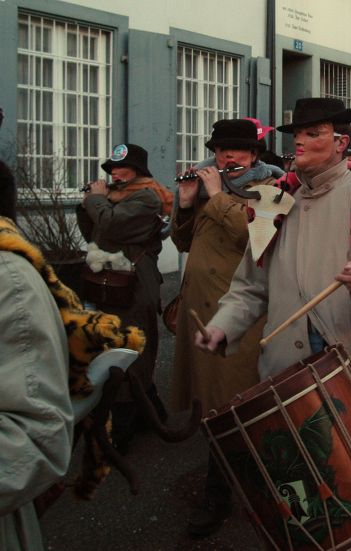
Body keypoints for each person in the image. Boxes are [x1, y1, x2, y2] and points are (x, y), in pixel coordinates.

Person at [195, 96, 351, 412]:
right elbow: (250, 284)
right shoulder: (270, 203)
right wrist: (223, 325)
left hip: (345, 367)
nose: (299, 141)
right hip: (281, 367)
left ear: (341, 143)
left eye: (313, 134)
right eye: (297, 134)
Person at [170, 118, 279, 538]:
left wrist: (216, 196)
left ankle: (226, 495)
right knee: (209, 404)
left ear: (253, 155)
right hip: (200, 312)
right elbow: (183, 242)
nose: (226, 157)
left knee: (232, 407)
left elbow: (257, 238)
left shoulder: (271, 187)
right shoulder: (206, 190)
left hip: (239, 318)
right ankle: (228, 488)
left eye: (235, 151)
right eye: (220, 150)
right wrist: (185, 203)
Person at [76, 143, 172, 453]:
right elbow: (95, 234)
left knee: (132, 348)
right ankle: (151, 414)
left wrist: (95, 200)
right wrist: (87, 204)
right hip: (113, 282)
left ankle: (123, 430)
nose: (115, 174)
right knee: (117, 346)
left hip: (135, 284)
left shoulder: (147, 197)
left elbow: (112, 226)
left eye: (123, 169)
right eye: (113, 169)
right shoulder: (113, 198)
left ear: (138, 172)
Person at [0, 159, 74, 551]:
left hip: (134, 279)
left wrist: (212, 198)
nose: (116, 176)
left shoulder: (9, 278)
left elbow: (38, 435)